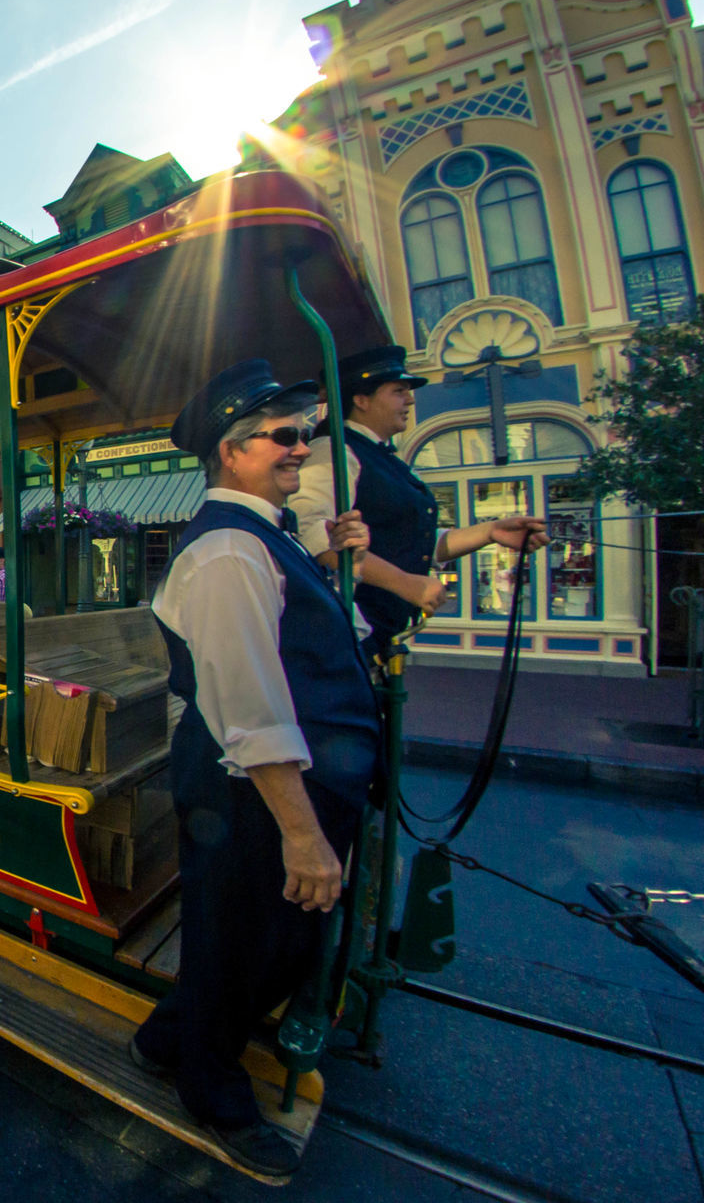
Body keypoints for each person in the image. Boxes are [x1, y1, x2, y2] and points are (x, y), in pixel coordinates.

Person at [129, 360, 379, 1179]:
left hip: (277, 790)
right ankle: (211, 1087)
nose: (301, 447)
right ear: (232, 452)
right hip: (253, 796)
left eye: (302, 432)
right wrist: (303, 834)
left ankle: (167, 1038)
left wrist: (333, 555)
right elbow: (252, 707)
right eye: (285, 435)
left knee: (248, 941)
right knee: (250, 947)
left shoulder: (262, 539)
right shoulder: (229, 550)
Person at [292, 344, 548, 653]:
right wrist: (404, 582)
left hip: (379, 637)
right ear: (361, 400)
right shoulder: (334, 451)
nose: (410, 399)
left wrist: (490, 532)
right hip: (349, 635)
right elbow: (312, 534)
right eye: (398, 391)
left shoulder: (380, 456)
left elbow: (412, 542)